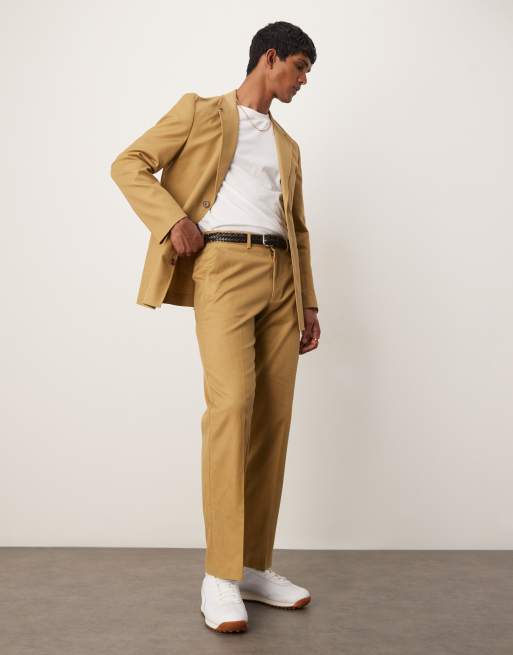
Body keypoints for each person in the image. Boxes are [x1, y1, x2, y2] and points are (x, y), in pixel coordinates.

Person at [110, 20, 321, 634]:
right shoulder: (200, 111)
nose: (304, 81)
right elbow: (128, 164)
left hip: (282, 277)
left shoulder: (288, 146)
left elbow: (299, 227)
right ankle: (219, 576)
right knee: (231, 409)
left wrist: (309, 303)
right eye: (300, 68)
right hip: (222, 265)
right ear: (270, 58)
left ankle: (253, 566)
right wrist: (172, 220)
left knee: (273, 418)